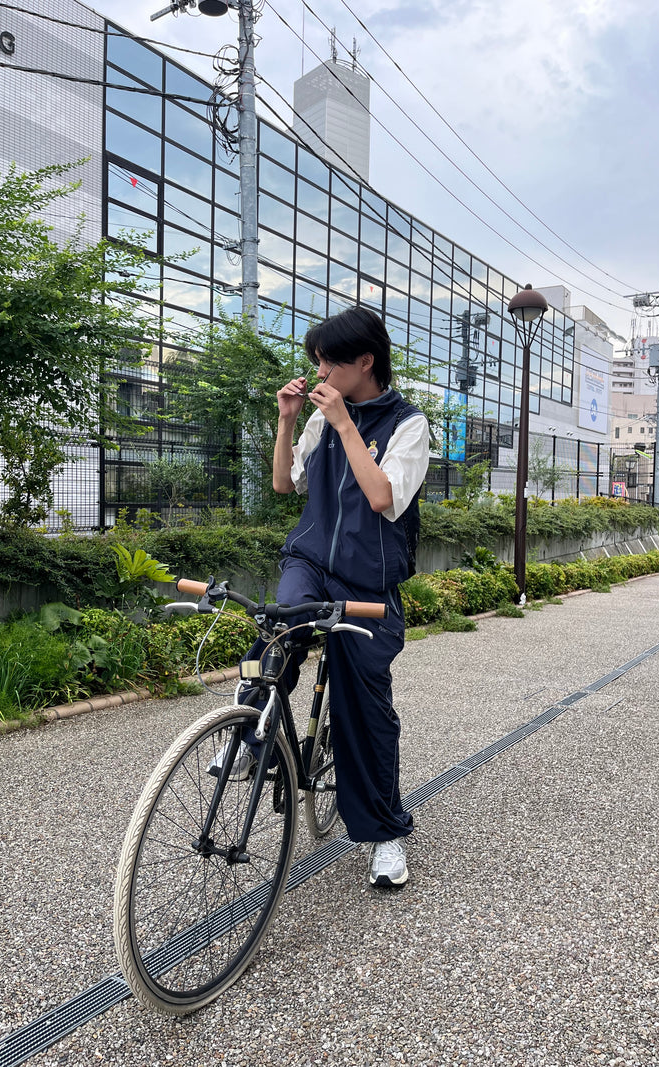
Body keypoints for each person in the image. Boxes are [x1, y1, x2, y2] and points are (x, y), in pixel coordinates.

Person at [216, 306, 430, 887]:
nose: (320, 372)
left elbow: (384, 496)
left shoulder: (408, 425)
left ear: (365, 361)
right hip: (310, 558)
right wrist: (287, 421)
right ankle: (244, 734)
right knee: (277, 628)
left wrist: (344, 425)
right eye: (316, 361)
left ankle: (384, 834)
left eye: (330, 361)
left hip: (369, 585)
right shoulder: (318, 415)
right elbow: (286, 485)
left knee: (366, 712)